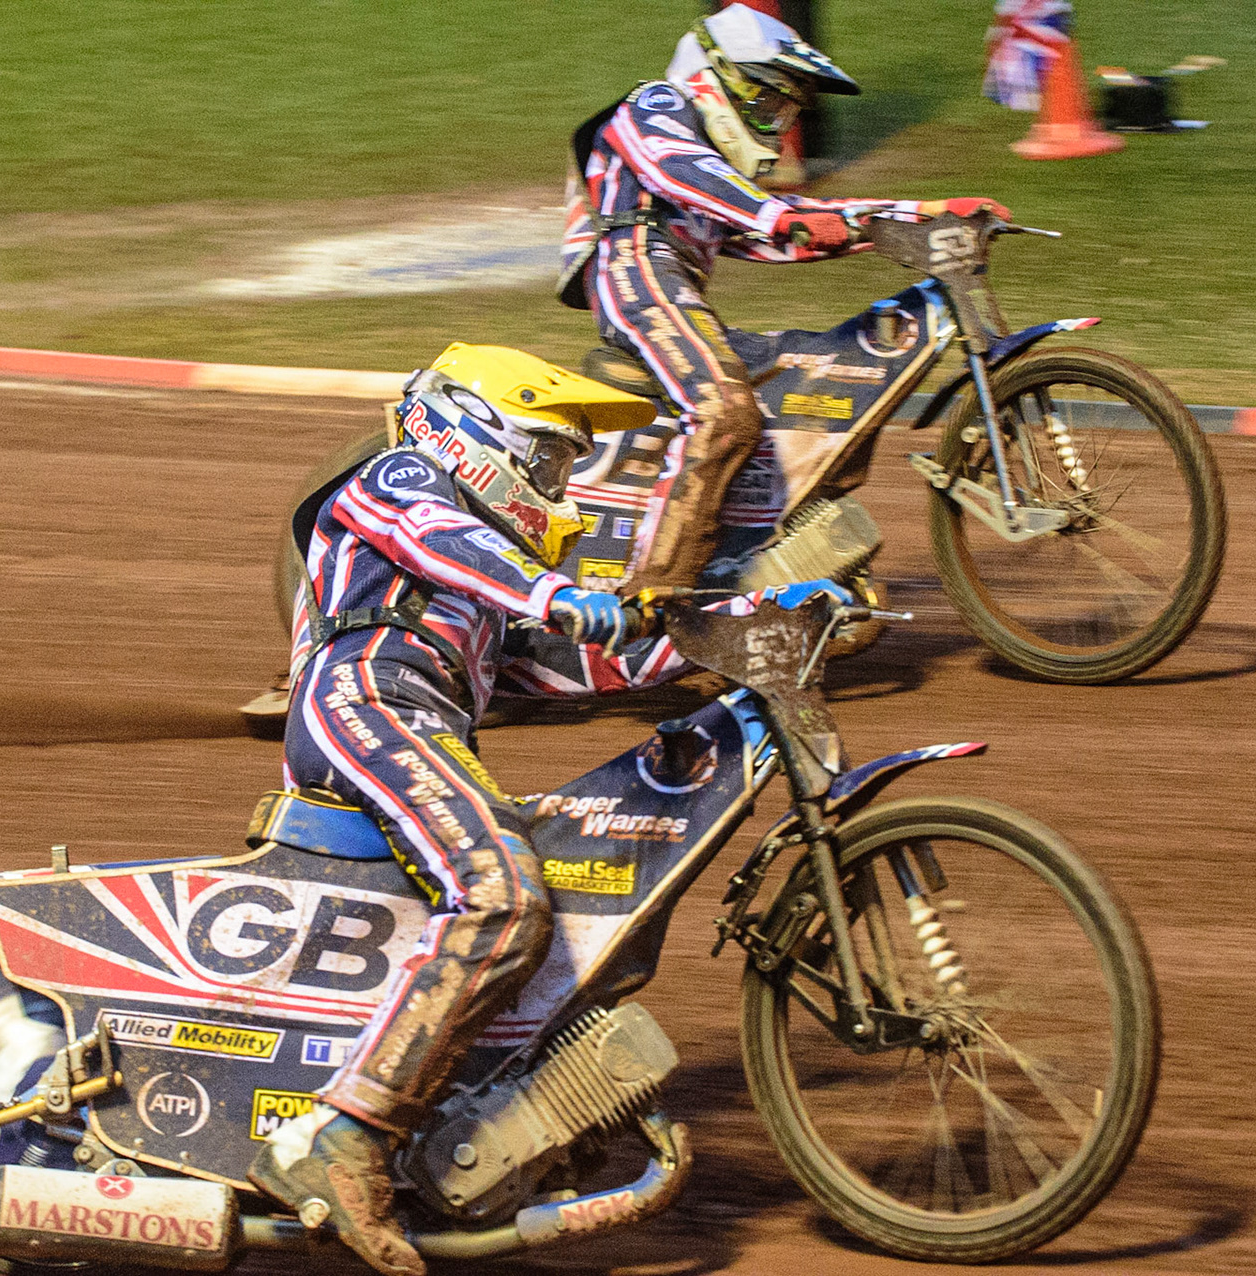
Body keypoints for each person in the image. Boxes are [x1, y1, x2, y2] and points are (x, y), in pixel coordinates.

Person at [248, 343, 848, 1276]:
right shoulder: (397, 479)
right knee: (503, 893)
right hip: (364, 702)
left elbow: (594, 661)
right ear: (477, 432)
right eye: (550, 457)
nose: (560, 484)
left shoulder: (483, 596)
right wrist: (557, 594)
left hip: (416, 722)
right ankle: (345, 1136)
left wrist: (749, 617)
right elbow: (445, 540)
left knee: (562, 911)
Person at [558, 6, 1010, 592]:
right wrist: (778, 216)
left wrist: (926, 213)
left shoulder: (722, 180)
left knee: (812, 386)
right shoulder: (657, 104)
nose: (774, 121)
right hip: (635, 274)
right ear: (719, 76)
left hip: (675, 289)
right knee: (725, 411)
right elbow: (680, 170)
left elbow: (788, 230)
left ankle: (747, 563)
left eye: (785, 109)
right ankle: (657, 588)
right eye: (768, 102)